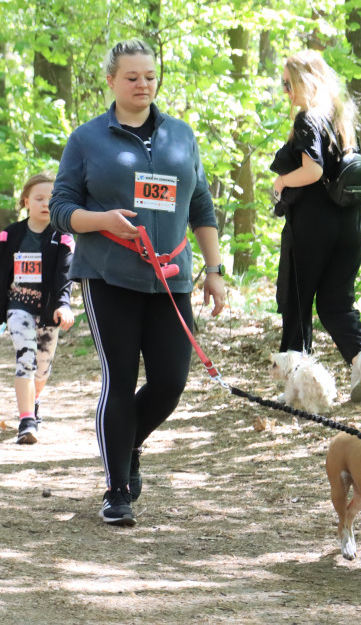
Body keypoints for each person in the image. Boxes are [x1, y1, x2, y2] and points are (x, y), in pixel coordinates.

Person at [50, 39, 226, 527]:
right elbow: (62, 210)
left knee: (171, 381)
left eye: (150, 76)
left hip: (171, 280)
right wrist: (101, 220)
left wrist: (213, 271)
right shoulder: (87, 140)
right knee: (120, 378)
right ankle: (116, 490)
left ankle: (128, 444)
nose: (143, 85)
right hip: (110, 275)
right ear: (110, 80)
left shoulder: (181, 136)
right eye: (132, 77)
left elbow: (201, 206)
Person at [269, 49, 361, 403]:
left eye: (288, 83)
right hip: (349, 224)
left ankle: (295, 388)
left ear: (304, 81)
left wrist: (282, 183)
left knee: (297, 302)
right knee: (336, 301)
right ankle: (360, 356)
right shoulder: (343, 119)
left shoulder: (308, 119)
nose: (286, 92)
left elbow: (312, 170)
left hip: (313, 225)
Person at [0, 173, 75, 445]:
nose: (45, 203)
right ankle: (27, 421)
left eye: (52, 199)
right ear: (25, 201)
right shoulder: (10, 235)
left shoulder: (63, 237)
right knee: (25, 359)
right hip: (17, 307)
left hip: (49, 312)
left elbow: (64, 277)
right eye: (39, 198)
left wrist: (64, 306)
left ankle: (34, 399)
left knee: (42, 369)